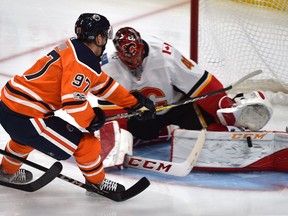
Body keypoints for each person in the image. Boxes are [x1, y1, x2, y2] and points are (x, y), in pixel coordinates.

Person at [0, 14, 155, 195]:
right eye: (105, 36)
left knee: (23, 140)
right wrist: (91, 119)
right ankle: (97, 183)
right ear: (98, 38)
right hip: (28, 115)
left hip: (8, 105)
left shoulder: (74, 48)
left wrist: (134, 103)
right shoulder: (82, 61)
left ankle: (6, 172)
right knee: (87, 145)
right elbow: (73, 103)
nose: (105, 41)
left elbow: (102, 84)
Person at [99, 27, 272, 145]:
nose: (135, 62)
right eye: (128, 59)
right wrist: (118, 137)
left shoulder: (165, 56)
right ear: (118, 54)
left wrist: (222, 105)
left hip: (177, 106)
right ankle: (166, 132)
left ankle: (236, 109)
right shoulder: (107, 67)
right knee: (137, 131)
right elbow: (113, 112)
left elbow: (201, 83)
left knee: (212, 125)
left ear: (142, 46)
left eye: (138, 56)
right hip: (144, 116)